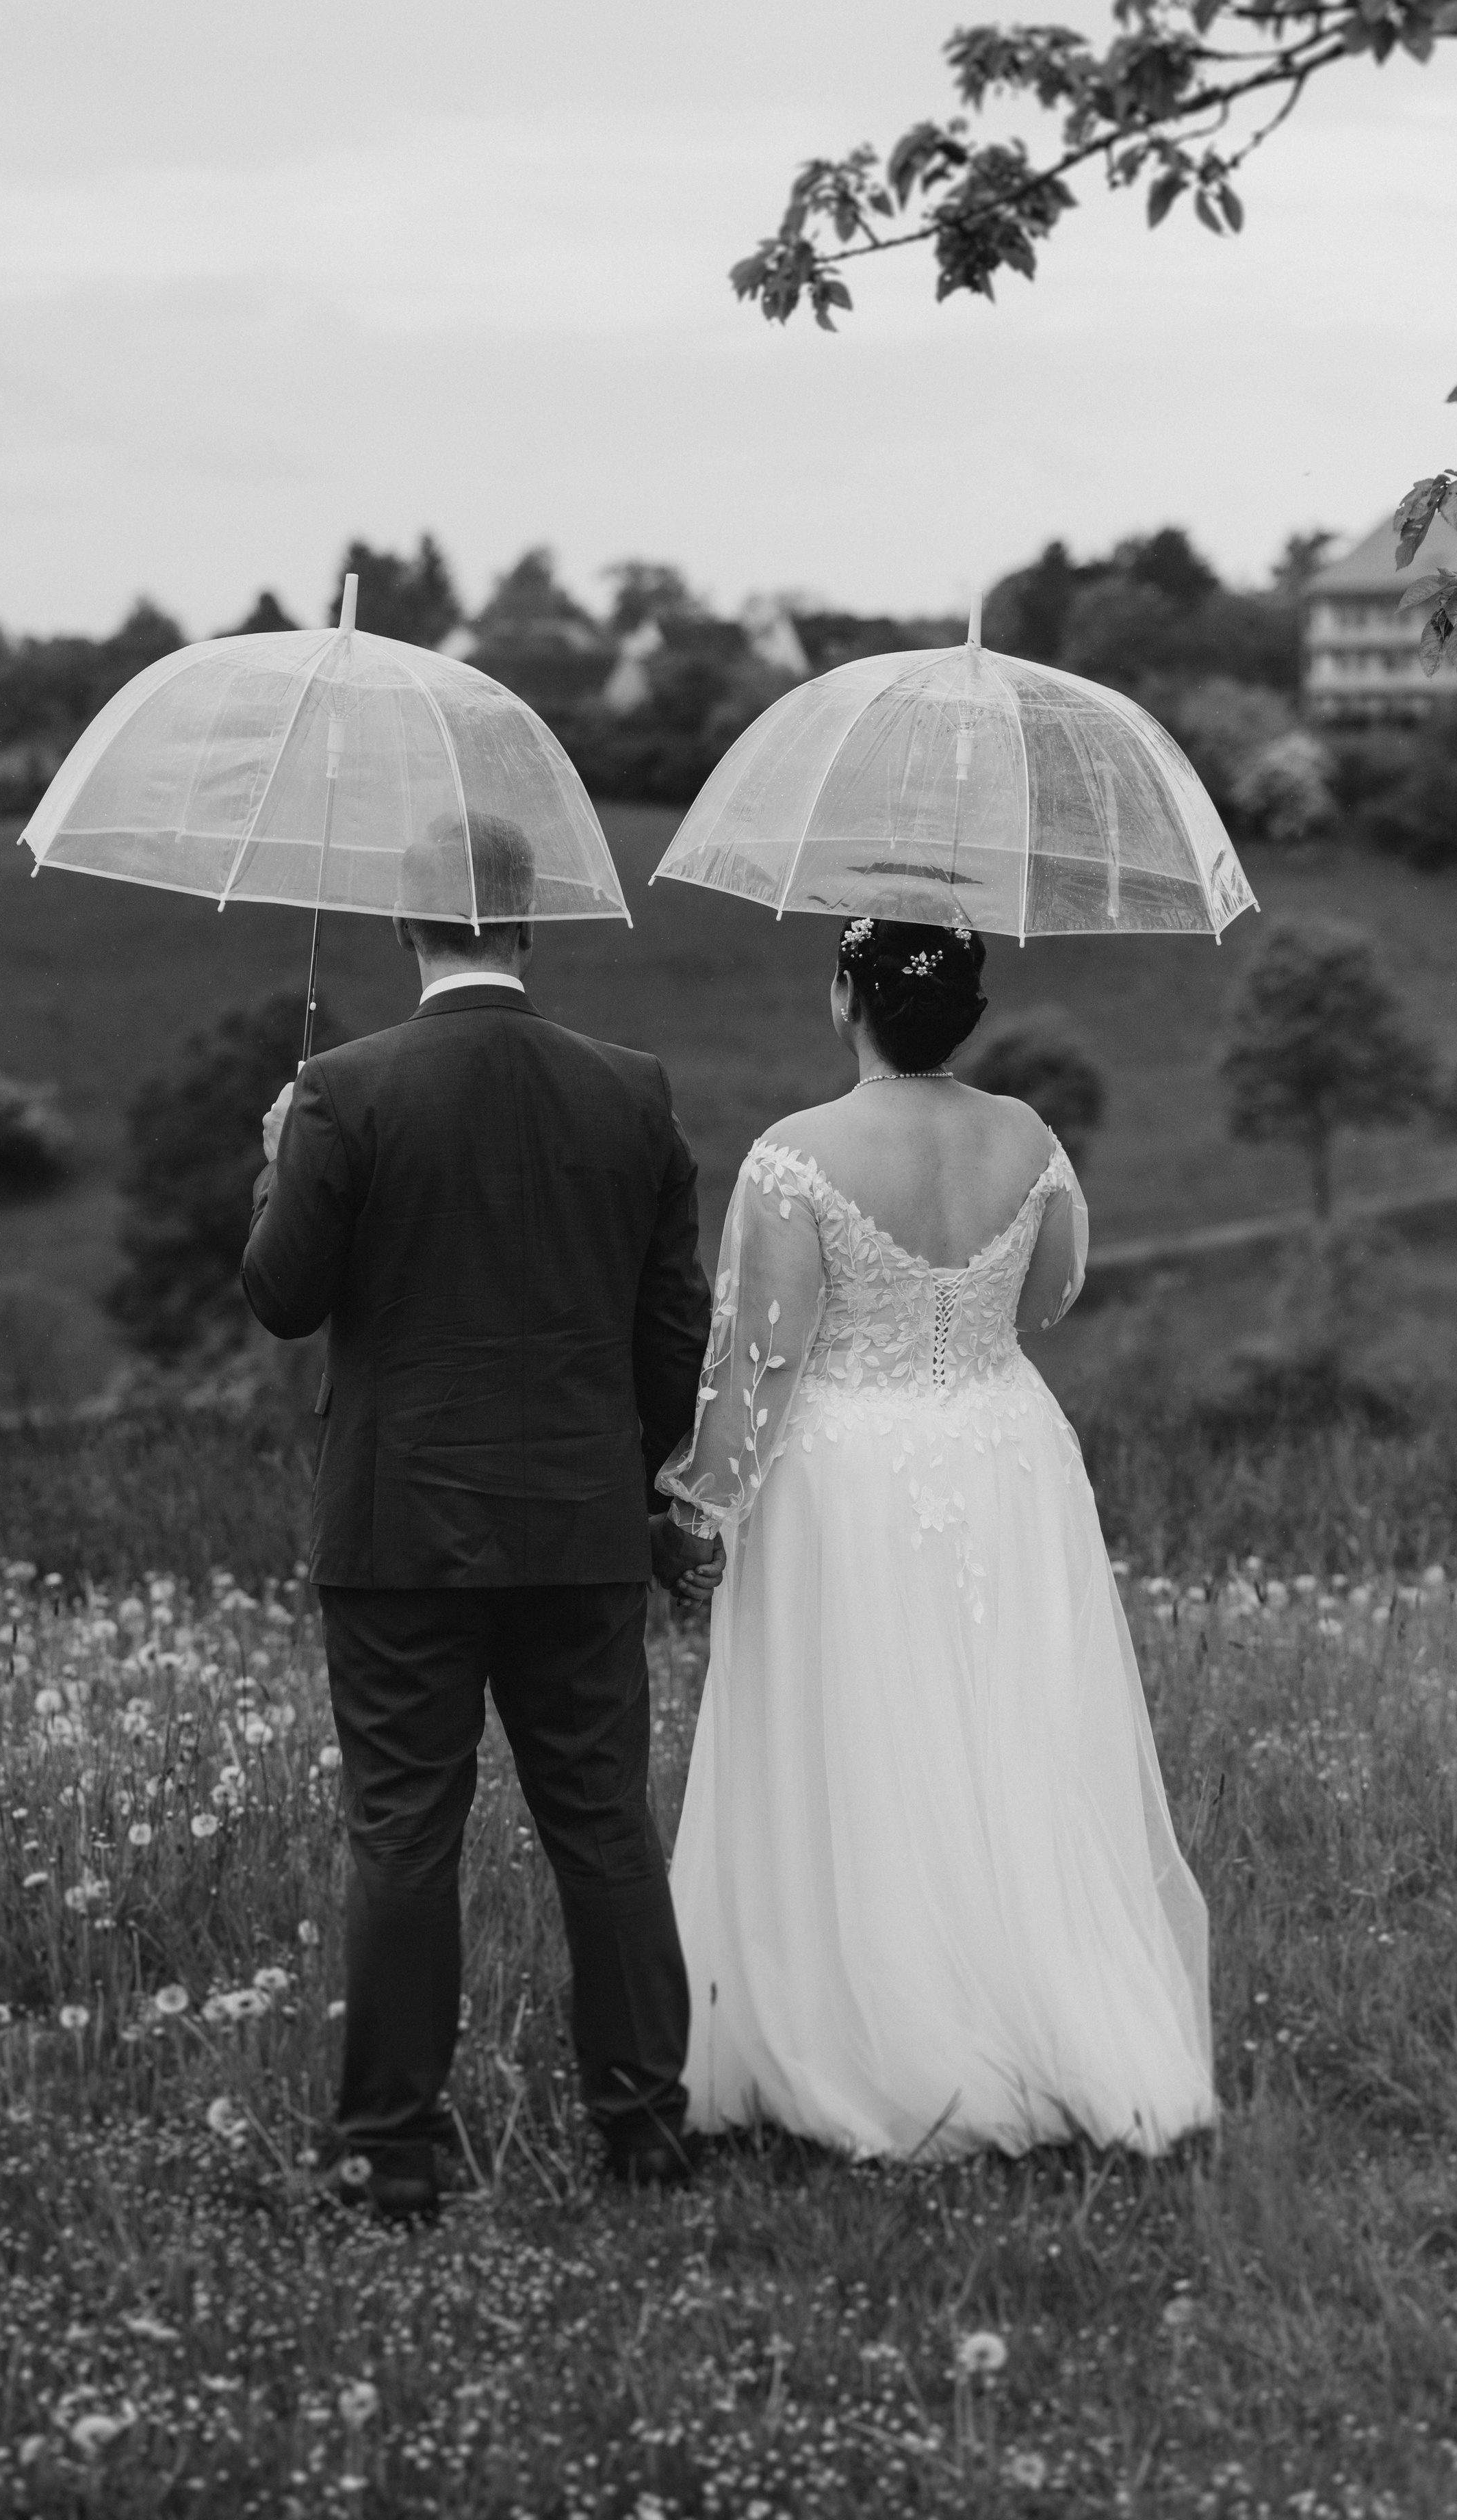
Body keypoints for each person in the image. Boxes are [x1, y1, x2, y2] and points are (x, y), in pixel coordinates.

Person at [659, 916, 1215, 2159]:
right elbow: (1058, 1289)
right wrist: (965, 1328)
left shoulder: (794, 1158)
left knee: (857, 1736)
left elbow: (760, 1356)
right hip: (1008, 1453)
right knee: (1011, 1735)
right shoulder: (1029, 1137)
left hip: (848, 1471)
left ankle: (872, 2032)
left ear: (848, 993)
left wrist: (703, 1505)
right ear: (962, 1011)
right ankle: (1044, 2014)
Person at [242, 813, 719, 2216]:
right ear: (527, 923)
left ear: (405, 929)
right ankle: (642, 2128)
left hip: (399, 1531)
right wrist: (647, 1493)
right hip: (575, 1524)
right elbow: (669, 1332)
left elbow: (281, 1299)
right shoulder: (631, 1091)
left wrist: (278, 1157)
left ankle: (388, 2148)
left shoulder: (340, 1091)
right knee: (604, 1824)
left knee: (402, 1833)